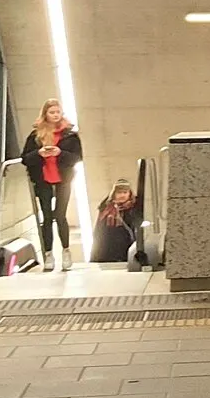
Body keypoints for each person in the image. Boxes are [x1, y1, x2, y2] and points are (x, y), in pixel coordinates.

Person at [20, 98, 84, 271]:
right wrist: (39, 153)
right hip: (42, 179)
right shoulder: (35, 135)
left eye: (58, 112)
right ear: (45, 114)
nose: (55, 115)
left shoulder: (70, 135)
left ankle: (66, 250)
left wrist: (60, 153)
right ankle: (48, 253)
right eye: (52, 112)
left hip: (64, 178)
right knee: (46, 217)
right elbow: (25, 158)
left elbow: (78, 157)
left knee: (60, 215)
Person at [92, 177, 144, 266]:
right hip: (107, 253)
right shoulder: (106, 208)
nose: (122, 195)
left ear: (129, 193)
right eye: (119, 192)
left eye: (125, 192)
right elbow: (99, 231)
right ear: (114, 194)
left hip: (128, 252)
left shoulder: (135, 208)